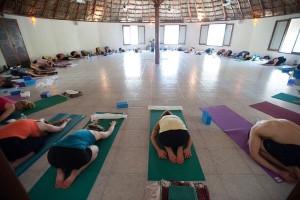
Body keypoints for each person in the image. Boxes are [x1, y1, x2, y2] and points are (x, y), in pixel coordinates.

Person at [47, 120, 117, 189]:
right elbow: (109, 132)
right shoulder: (97, 133)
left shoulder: (80, 131)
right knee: (95, 148)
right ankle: (76, 172)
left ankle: (60, 171)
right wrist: (113, 124)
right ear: (99, 131)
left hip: (52, 155)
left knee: (62, 156)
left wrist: (93, 123)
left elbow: (87, 127)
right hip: (77, 154)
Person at [0, 118, 72, 169]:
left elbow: (48, 125)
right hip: (10, 145)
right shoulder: (44, 126)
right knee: (39, 141)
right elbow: (59, 128)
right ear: (45, 131)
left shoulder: (33, 122)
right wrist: (66, 121)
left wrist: (57, 121)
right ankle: (14, 164)